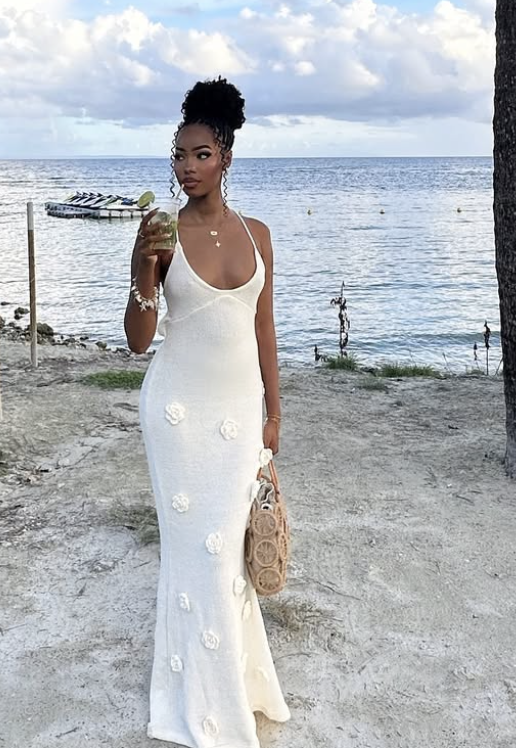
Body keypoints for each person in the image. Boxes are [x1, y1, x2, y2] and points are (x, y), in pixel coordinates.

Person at [124, 77, 290, 748]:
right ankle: (202, 705)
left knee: (229, 557)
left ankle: (238, 687)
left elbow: (265, 330)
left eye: (199, 154)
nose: (185, 167)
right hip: (176, 416)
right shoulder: (161, 235)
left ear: (224, 156)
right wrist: (142, 271)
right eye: (178, 155)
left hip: (239, 416)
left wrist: (274, 416)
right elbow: (139, 342)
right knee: (196, 560)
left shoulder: (259, 236)